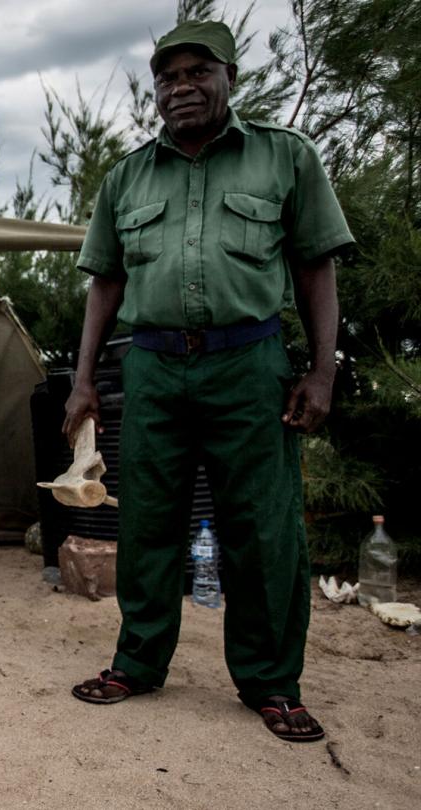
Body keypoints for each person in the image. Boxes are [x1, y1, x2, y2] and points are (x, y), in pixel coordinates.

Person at [63, 21, 351, 743]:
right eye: (167, 77)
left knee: (261, 525)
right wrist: (83, 379)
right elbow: (105, 281)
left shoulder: (285, 157)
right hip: (153, 365)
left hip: (249, 361)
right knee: (148, 521)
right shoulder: (127, 176)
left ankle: (271, 682)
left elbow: (317, 264)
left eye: (197, 73)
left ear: (230, 78)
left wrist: (321, 369)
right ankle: (137, 661)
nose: (180, 88)